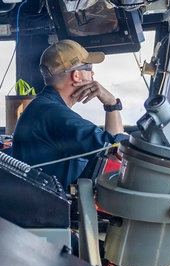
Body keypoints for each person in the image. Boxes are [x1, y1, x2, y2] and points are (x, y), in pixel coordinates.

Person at [12, 39, 125, 187]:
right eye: (89, 67)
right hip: (49, 201)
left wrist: (111, 105)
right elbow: (118, 150)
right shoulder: (54, 114)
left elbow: (111, 154)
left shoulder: (42, 107)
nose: (93, 73)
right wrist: (111, 103)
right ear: (76, 75)